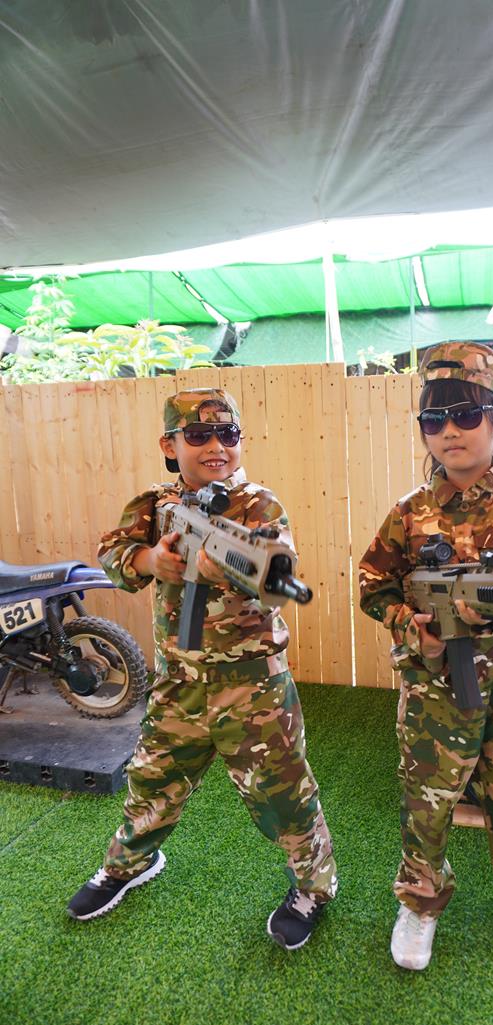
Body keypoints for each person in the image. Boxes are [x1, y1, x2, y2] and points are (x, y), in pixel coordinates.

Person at [67, 387, 337, 950]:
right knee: (151, 781)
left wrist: (230, 568)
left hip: (253, 686)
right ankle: (129, 864)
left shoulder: (259, 506)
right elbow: (112, 553)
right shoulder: (154, 504)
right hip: (179, 682)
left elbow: (279, 572)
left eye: (228, 434)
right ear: (170, 444)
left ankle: (314, 887)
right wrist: (152, 559)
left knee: (284, 794)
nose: (216, 446)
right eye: (198, 435)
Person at [358, 342, 493, 979]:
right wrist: (415, 629)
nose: (449, 431)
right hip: (434, 690)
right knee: (427, 805)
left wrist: (490, 616)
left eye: (466, 414)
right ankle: (420, 903)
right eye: (433, 418)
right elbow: (373, 585)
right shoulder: (409, 513)